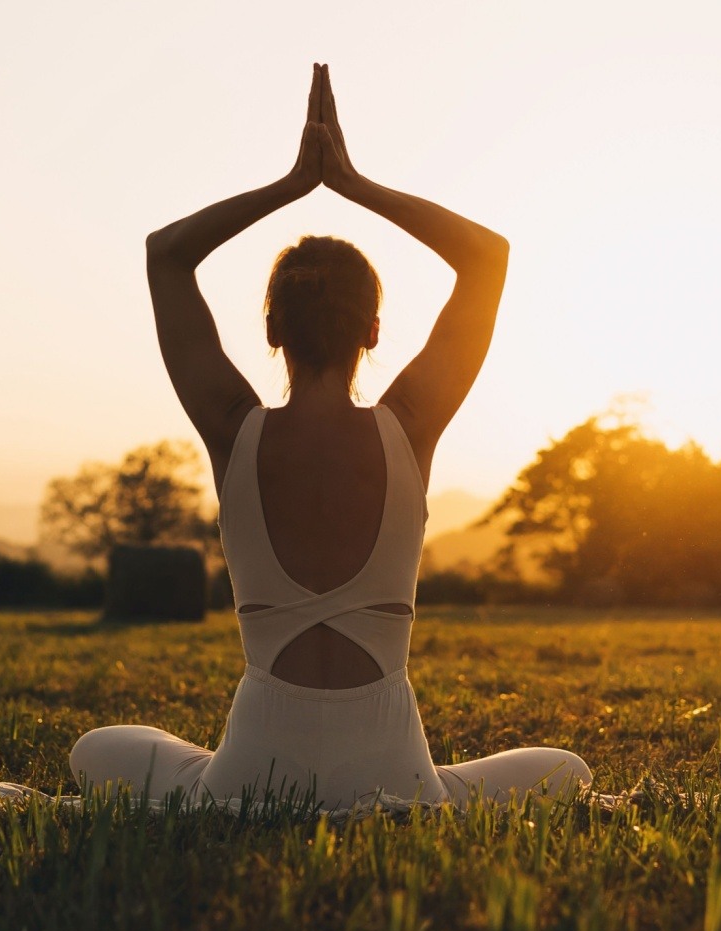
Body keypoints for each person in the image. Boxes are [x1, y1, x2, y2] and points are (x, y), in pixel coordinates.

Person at [70, 65, 591, 810]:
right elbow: (487, 257)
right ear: (374, 331)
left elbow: (167, 254)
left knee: (97, 750)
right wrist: (351, 182)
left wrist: (292, 184)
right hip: (392, 771)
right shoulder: (409, 428)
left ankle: (217, 785)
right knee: (564, 768)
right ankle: (420, 791)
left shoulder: (232, 428)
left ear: (272, 328)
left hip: (251, 775)